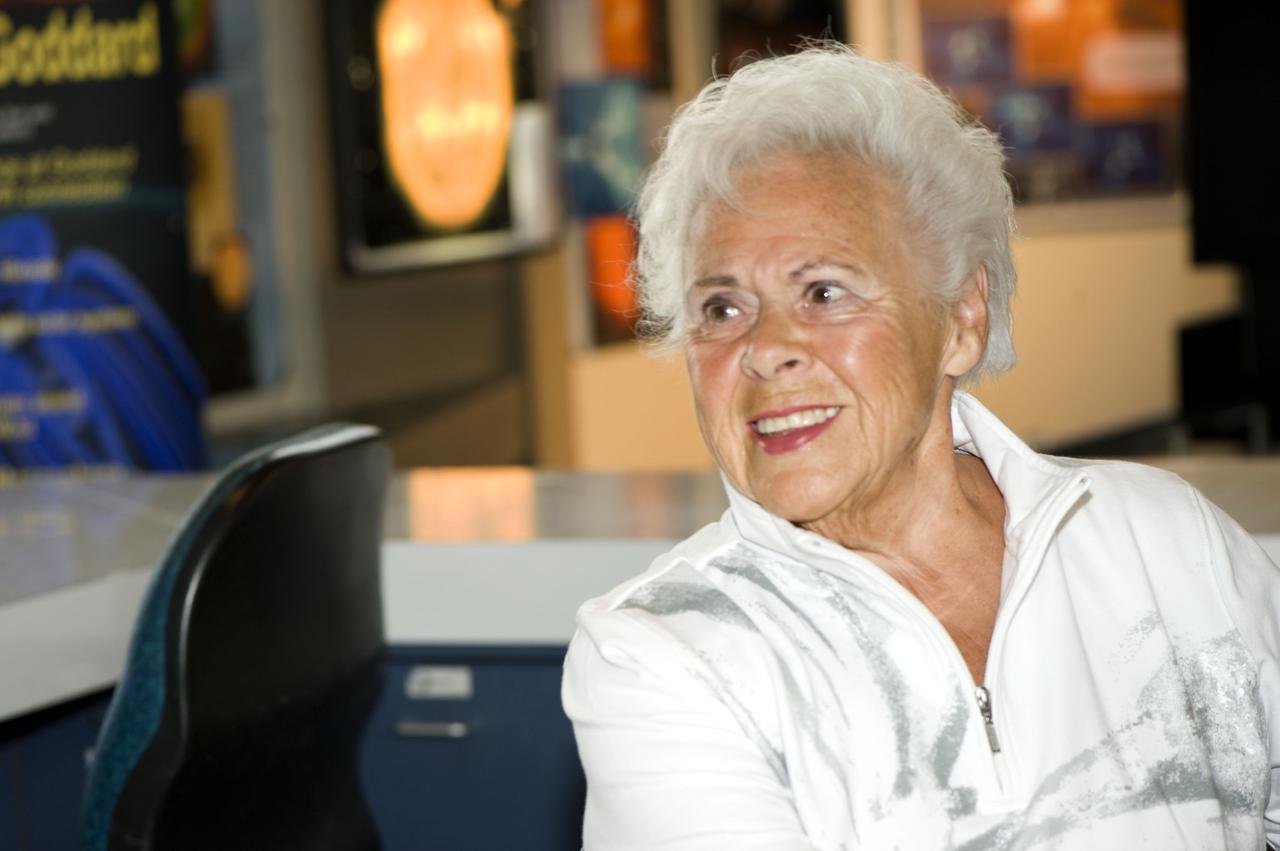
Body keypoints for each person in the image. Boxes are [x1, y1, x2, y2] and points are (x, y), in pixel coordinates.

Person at [560, 42, 1280, 850]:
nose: (764, 349)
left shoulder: (1164, 544)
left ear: (961, 319)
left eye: (824, 291)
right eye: (722, 309)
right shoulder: (667, 651)